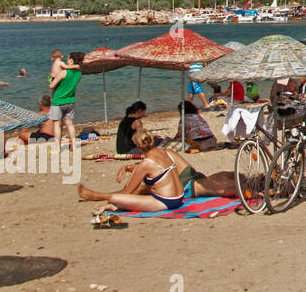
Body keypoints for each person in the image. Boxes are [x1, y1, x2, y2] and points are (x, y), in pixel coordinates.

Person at [77, 131, 239, 209]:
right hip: (179, 196)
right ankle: (99, 197)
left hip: (166, 202)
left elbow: (127, 190)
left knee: (118, 198)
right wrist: (127, 167)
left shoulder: (146, 163)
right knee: (133, 194)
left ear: (138, 147)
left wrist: (117, 201)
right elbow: (156, 169)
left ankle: (95, 195)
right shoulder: (163, 152)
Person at [48, 51, 82, 147]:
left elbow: (51, 86)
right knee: (70, 124)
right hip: (70, 101)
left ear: (71, 61)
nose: (66, 61)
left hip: (58, 100)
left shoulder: (63, 72)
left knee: (57, 125)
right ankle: (74, 145)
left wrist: (49, 78)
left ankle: (57, 147)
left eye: (67, 59)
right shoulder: (79, 74)